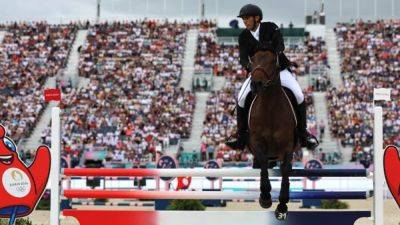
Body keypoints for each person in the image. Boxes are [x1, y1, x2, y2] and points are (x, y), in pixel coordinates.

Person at [225, 4, 319, 151]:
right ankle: (240, 135)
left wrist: (271, 54)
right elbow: (243, 58)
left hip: (278, 71)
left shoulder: (270, 28)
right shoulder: (243, 36)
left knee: (299, 95)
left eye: (247, 18)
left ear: (257, 18)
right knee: (241, 98)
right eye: (243, 19)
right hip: (258, 74)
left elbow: (280, 46)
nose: (245, 22)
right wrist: (252, 69)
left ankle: (303, 133)